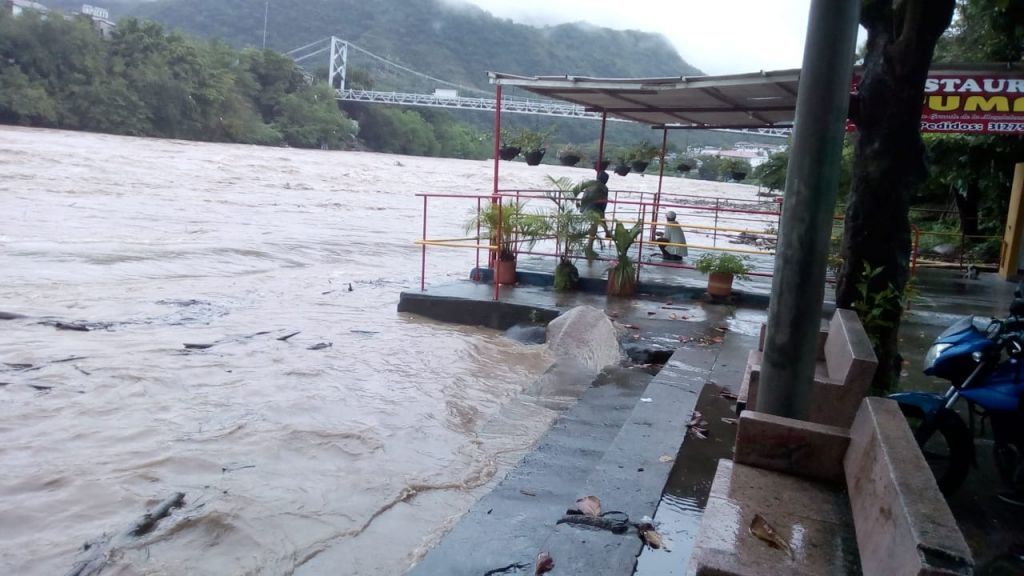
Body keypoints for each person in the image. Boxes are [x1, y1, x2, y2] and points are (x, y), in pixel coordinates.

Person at [579, 171, 611, 257]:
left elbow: (584, 198)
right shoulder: (604, 188)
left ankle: (606, 232)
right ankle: (589, 249)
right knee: (594, 227)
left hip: (584, 208)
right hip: (594, 209)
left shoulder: (590, 185)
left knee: (594, 225)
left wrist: (581, 209)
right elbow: (603, 204)